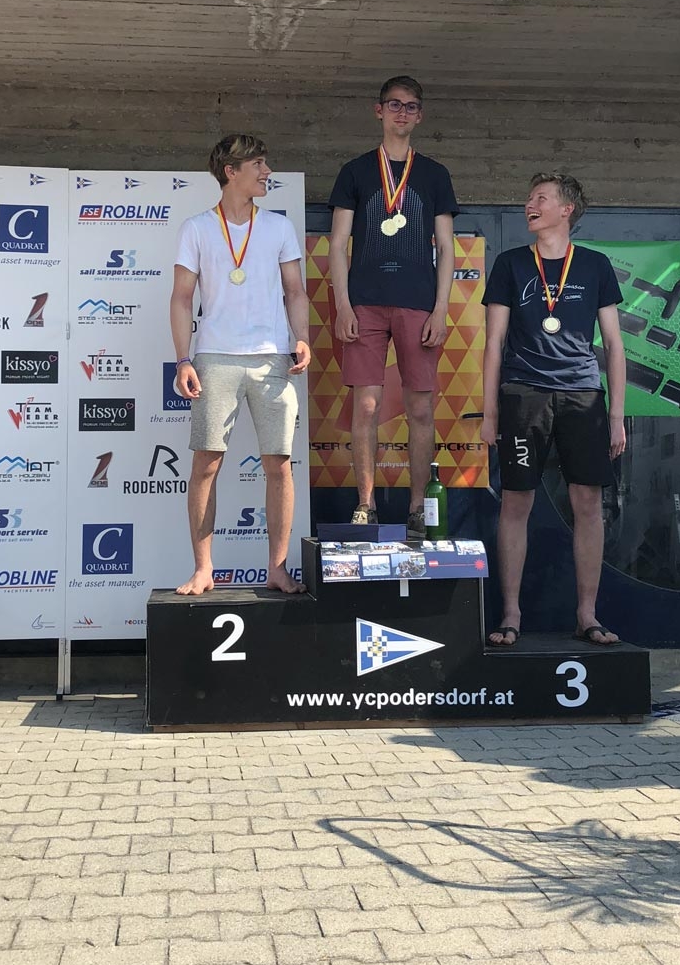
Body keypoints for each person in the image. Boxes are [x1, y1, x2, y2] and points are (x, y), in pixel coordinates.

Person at [480, 173, 627, 646]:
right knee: (515, 501)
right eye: (529, 198)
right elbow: (494, 343)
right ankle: (510, 613)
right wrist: (489, 412)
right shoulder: (509, 263)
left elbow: (614, 346)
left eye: (540, 198)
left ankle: (587, 614)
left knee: (588, 504)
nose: (530, 204)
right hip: (524, 394)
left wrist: (617, 417)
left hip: (582, 395)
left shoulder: (596, 265)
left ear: (566, 210)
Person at [170, 134, 311, 596]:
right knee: (206, 464)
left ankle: (277, 568)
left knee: (279, 465)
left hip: (272, 358)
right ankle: (203, 569)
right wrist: (183, 359)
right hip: (214, 358)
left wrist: (301, 338)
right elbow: (182, 298)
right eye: (258, 164)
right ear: (231, 172)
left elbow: (295, 291)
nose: (267, 172)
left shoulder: (278, 226)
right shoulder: (196, 228)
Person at [329, 75, 458, 541]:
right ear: (378, 110)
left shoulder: (435, 175)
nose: (402, 112)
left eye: (411, 106)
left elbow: (446, 247)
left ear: (420, 116)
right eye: (394, 104)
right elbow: (338, 244)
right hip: (364, 304)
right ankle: (365, 506)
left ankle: (418, 509)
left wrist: (441, 310)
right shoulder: (355, 172)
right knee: (365, 406)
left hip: (418, 305)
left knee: (420, 408)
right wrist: (343, 305)